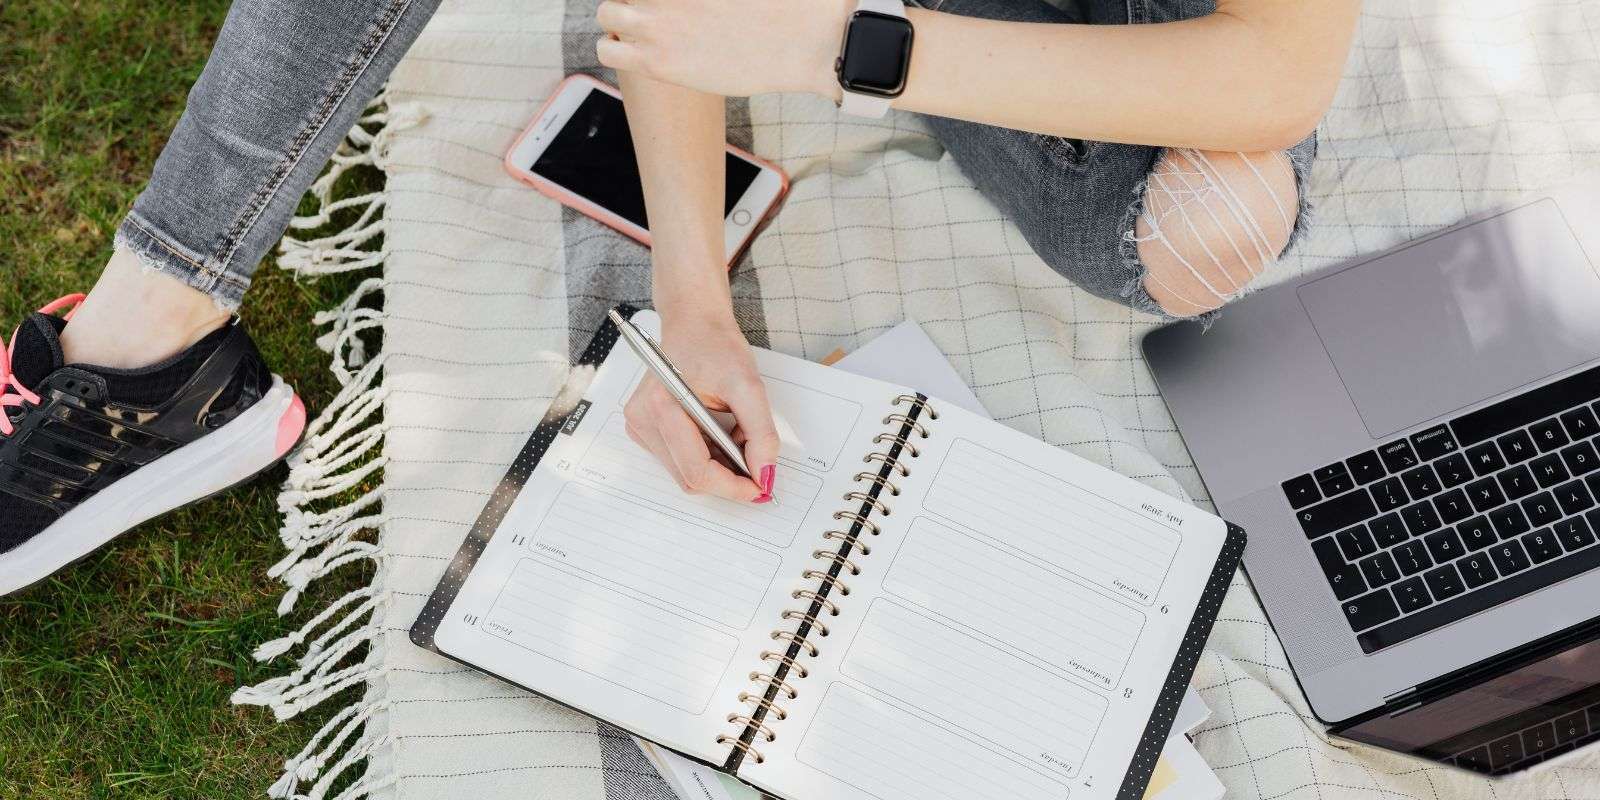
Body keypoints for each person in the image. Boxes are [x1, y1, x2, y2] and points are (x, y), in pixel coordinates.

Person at [0, 0, 1357, 594]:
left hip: (1109, 39)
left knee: (1213, 226)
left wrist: (851, 45)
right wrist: (694, 311)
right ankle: (150, 338)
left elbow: (1278, 73)